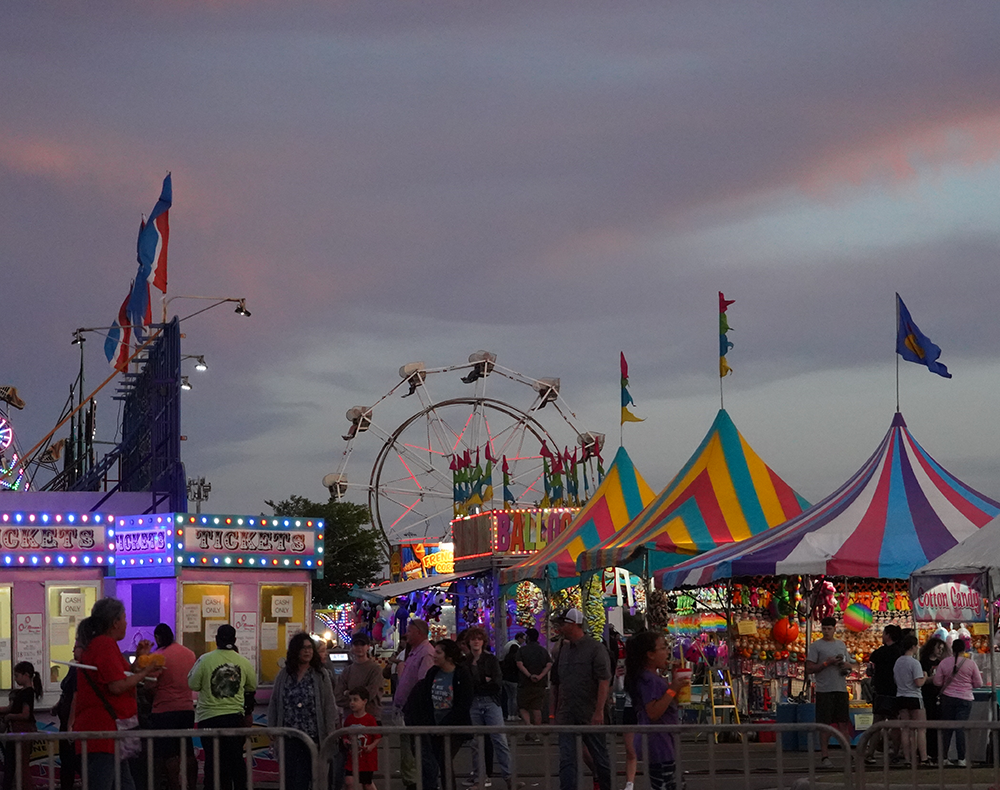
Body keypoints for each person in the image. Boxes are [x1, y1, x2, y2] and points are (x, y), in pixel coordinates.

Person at [73, 599, 162, 790]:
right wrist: (145, 672)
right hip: (103, 732)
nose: (126, 623)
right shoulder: (105, 645)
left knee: (124, 783)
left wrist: (138, 661)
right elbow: (117, 685)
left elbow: (120, 676)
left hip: (108, 732)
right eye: (124, 618)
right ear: (115, 622)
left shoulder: (100, 645)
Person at [188, 623, 257, 790]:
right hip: (234, 719)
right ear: (234, 640)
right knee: (236, 761)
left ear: (216, 639)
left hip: (209, 719)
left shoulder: (204, 659)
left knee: (213, 761)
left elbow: (193, 684)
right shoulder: (243, 662)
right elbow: (251, 687)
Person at [551, 608, 612, 790]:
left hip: (589, 712)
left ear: (574, 624)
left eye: (563, 624)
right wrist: (554, 714)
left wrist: (599, 711)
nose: (560, 628)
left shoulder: (595, 648)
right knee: (567, 759)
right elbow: (559, 683)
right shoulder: (564, 650)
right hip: (568, 713)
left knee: (600, 757)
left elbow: (604, 680)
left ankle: (605, 786)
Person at [267, 632, 337, 789]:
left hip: (312, 736)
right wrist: (272, 726)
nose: (307, 651)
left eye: (309, 648)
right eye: (303, 648)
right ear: (295, 651)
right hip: (288, 736)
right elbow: (275, 701)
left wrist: (330, 733)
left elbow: (328, 705)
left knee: (308, 778)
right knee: (289, 778)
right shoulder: (284, 675)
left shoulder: (320, 675)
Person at [404, 639, 474, 790]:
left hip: (454, 727)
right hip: (434, 726)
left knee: (444, 760)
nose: (434, 655)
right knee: (437, 761)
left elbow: (464, 704)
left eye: (438, 652)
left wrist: (446, 723)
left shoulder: (461, 674)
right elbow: (426, 698)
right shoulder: (433, 672)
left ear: (449, 656)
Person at [624, 632, 688, 790]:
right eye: (663, 648)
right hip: (658, 744)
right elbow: (653, 712)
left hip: (663, 743)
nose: (667, 652)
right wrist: (672, 689)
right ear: (650, 655)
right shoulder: (648, 680)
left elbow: (669, 704)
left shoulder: (653, 678)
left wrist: (675, 687)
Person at [147, 623, 198, 790]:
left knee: (168, 753)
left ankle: (174, 786)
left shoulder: (159, 656)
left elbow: (149, 685)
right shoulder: (189, 653)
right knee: (188, 749)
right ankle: (192, 785)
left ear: (157, 638)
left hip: (164, 710)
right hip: (187, 709)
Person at [465, 627, 515, 789]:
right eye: (473, 639)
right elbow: (466, 684)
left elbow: (496, 683)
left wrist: (482, 683)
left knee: (499, 739)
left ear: (483, 641)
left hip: (490, 701)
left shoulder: (490, 660)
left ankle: (509, 777)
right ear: (469, 641)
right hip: (474, 702)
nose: (476, 641)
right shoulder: (465, 662)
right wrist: (484, 681)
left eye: (479, 639)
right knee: (476, 742)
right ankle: (480, 777)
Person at [805, 616, 856, 768]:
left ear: (835, 629)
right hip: (824, 690)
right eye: (824, 629)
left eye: (829, 629)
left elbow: (849, 665)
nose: (826, 631)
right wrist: (826, 663)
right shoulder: (816, 646)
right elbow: (809, 668)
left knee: (843, 724)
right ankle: (825, 756)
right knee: (825, 725)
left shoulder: (841, 645)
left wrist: (845, 665)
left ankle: (847, 754)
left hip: (840, 688)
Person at [394, 620, 436, 790]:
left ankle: (428, 785)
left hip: (418, 712)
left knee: (424, 752)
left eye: (409, 631)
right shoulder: (414, 652)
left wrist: (412, 705)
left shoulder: (426, 653)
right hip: (409, 711)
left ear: (419, 632)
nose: (406, 634)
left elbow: (423, 684)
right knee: (416, 751)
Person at [933, 637, 983, 767]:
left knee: (947, 728)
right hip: (965, 699)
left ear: (951, 649)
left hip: (947, 698)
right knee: (961, 728)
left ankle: (944, 758)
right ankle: (961, 758)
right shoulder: (970, 664)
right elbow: (979, 683)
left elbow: (937, 682)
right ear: (964, 649)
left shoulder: (944, 663)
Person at [863, 624, 902, 764]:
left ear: (888, 635)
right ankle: (895, 753)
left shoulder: (879, 652)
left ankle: (870, 752)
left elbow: (870, 667)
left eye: (884, 633)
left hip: (881, 692)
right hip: (896, 691)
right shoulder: (900, 652)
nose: (882, 636)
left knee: (877, 723)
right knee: (896, 724)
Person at [1, 661, 43, 790]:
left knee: (21, 766)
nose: (15, 678)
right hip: (16, 732)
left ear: (26, 675)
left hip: (21, 731)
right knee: (12, 764)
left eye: (17, 675)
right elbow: (10, 708)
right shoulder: (22, 692)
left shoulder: (27, 693)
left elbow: (25, 714)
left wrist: (9, 717)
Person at [52, 638, 83, 790]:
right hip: (64, 719)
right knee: (66, 759)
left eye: (75, 647)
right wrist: (58, 705)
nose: (73, 650)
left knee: (72, 760)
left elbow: (75, 697)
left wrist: (71, 724)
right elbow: (67, 692)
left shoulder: (81, 670)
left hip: (71, 722)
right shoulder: (73, 667)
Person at [893, 633, 929, 765]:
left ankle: (907, 758)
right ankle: (923, 757)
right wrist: (925, 676)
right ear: (913, 647)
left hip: (901, 696)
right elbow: (918, 682)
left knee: (906, 729)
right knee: (920, 728)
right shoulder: (914, 663)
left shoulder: (898, 662)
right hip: (914, 696)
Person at [335, 633, 384, 720]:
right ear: (352, 646)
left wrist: (348, 694)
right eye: (356, 644)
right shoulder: (347, 671)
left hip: (371, 718)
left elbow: (371, 693)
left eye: (362, 644)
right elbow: (338, 696)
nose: (359, 647)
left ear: (368, 646)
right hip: (350, 719)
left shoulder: (375, 669)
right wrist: (358, 700)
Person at [342, 687, 381, 790]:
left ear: (364, 701)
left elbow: (377, 737)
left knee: (366, 783)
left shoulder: (370, 720)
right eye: (350, 700)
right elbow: (344, 734)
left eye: (355, 700)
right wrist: (345, 741)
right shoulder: (349, 719)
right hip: (352, 758)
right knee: (349, 781)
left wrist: (371, 746)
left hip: (367, 760)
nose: (352, 703)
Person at [516, 627, 552, 737]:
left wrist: (529, 675)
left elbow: (519, 664)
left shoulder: (522, 650)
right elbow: (549, 664)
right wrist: (540, 676)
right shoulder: (543, 651)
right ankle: (536, 732)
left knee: (523, 707)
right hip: (540, 685)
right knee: (537, 709)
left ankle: (528, 725)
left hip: (525, 684)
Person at [919, 636, 947, 761]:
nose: (940, 651)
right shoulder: (923, 662)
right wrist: (933, 680)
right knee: (928, 724)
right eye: (938, 648)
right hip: (927, 696)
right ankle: (927, 751)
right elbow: (922, 680)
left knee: (937, 724)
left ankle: (936, 751)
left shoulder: (942, 663)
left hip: (939, 695)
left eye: (942, 649)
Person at [500, 633, 525, 720]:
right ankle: (514, 715)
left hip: (505, 679)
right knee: (514, 697)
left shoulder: (507, 656)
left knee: (509, 698)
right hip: (513, 679)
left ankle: (509, 715)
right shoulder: (516, 657)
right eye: (523, 639)